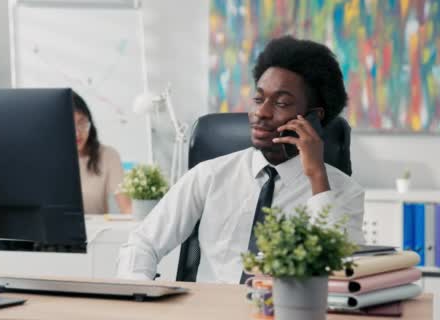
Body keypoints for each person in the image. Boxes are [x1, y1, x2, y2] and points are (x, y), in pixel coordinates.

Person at [116, 36, 365, 283]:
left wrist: (317, 177)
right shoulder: (210, 176)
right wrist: (140, 290)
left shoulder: (343, 191)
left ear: (313, 118)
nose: (261, 112)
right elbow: (142, 243)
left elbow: (345, 276)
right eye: (258, 99)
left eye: (281, 103)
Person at [72, 93, 132, 214]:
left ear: (90, 123)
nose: (77, 133)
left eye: (82, 122)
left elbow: (126, 207)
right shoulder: (48, 159)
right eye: (70, 124)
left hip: (96, 231)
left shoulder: (108, 155)